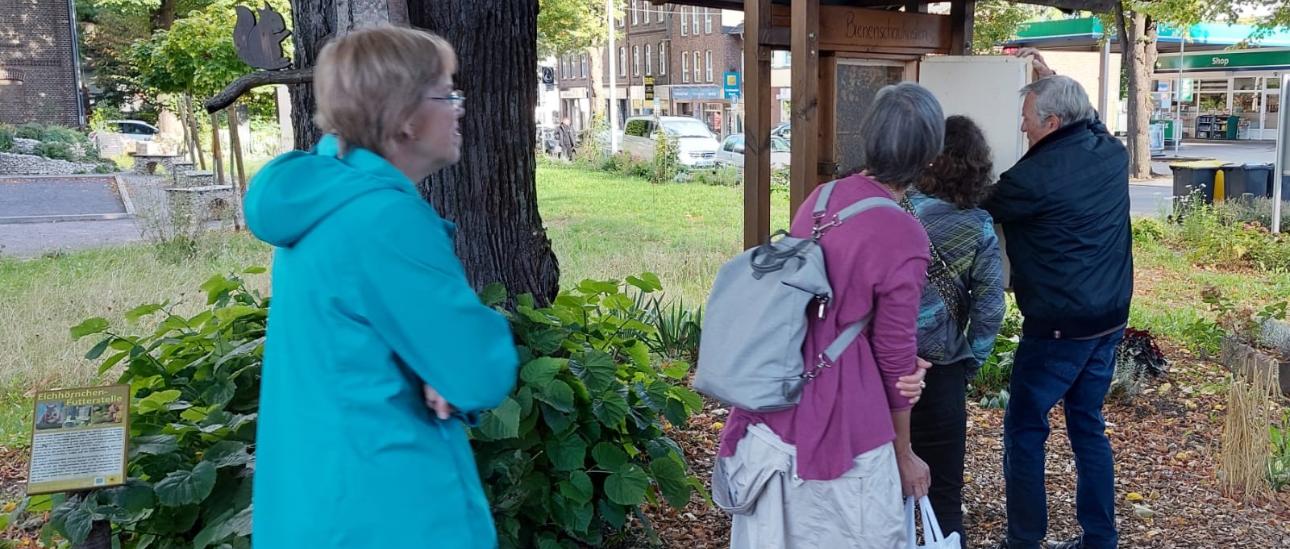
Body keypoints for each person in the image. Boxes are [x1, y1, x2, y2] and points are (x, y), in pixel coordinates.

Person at [245, 26, 519, 548]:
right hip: (390, 507)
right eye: (446, 93)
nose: (459, 108)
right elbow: (477, 370)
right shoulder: (385, 218)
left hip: (318, 503)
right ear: (404, 117)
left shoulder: (320, 201)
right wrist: (445, 368)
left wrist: (439, 364)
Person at [714, 82, 942, 548]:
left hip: (779, 387)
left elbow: (817, 303)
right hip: (845, 415)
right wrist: (904, 453)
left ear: (870, 138)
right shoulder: (905, 235)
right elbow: (894, 352)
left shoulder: (822, 199)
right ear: (929, 157)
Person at [984, 69, 1133, 549]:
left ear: (1050, 121)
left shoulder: (1031, 178)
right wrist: (1050, 77)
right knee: (1087, 425)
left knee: (1025, 430)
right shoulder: (1112, 154)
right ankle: (1100, 539)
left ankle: (1024, 540)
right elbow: (1093, 122)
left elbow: (981, 205)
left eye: (1026, 118)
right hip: (1109, 320)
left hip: (1057, 329)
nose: (1021, 127)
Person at [906, 115, 1007, 549]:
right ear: (976, 167)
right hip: (942, 370)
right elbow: (989, 309)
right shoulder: (979, 226)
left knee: (877, 491)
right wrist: (971, 362)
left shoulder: (897, 208)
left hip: (881, 368)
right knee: (944, 494)